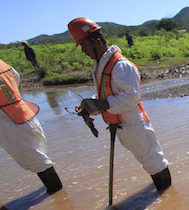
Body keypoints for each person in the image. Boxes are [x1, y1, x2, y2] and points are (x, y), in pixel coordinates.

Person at [67, 17, 171, 192]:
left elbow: (130, 99)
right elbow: (107, 93)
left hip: (133, 123)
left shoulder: (121, 66)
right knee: (147, 160)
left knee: (153, 161)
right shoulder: (102, 65)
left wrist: (99, 104)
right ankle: (164, 195)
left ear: (97, 42)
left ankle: (168, 197)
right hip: (122, 124)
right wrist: (91, 105)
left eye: (84, 46)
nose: (84, 51)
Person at [0, 55, 62, 195]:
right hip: (21, 111)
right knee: (37, 156)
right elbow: (16, 76)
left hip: (5, 118)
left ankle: (58, 195)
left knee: (36, 160)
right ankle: (59, 197)